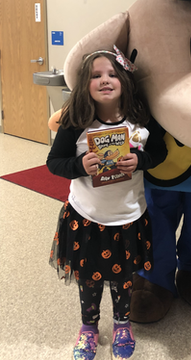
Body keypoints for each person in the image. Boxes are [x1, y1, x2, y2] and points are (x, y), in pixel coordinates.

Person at [47, 45, 167, 360]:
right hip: (86, 215)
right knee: (88, 277)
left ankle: (122, 324)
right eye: (96, 75)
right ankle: (89, 327)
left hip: (128, 216)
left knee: (123, 277)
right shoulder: (76, 120)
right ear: (85, 83)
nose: (105, 80)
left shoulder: (140, 118)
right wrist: (78, 167)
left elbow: (161, 154)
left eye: (113, 74)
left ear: (125, 81)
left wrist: (140, 161)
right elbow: (53, 162)